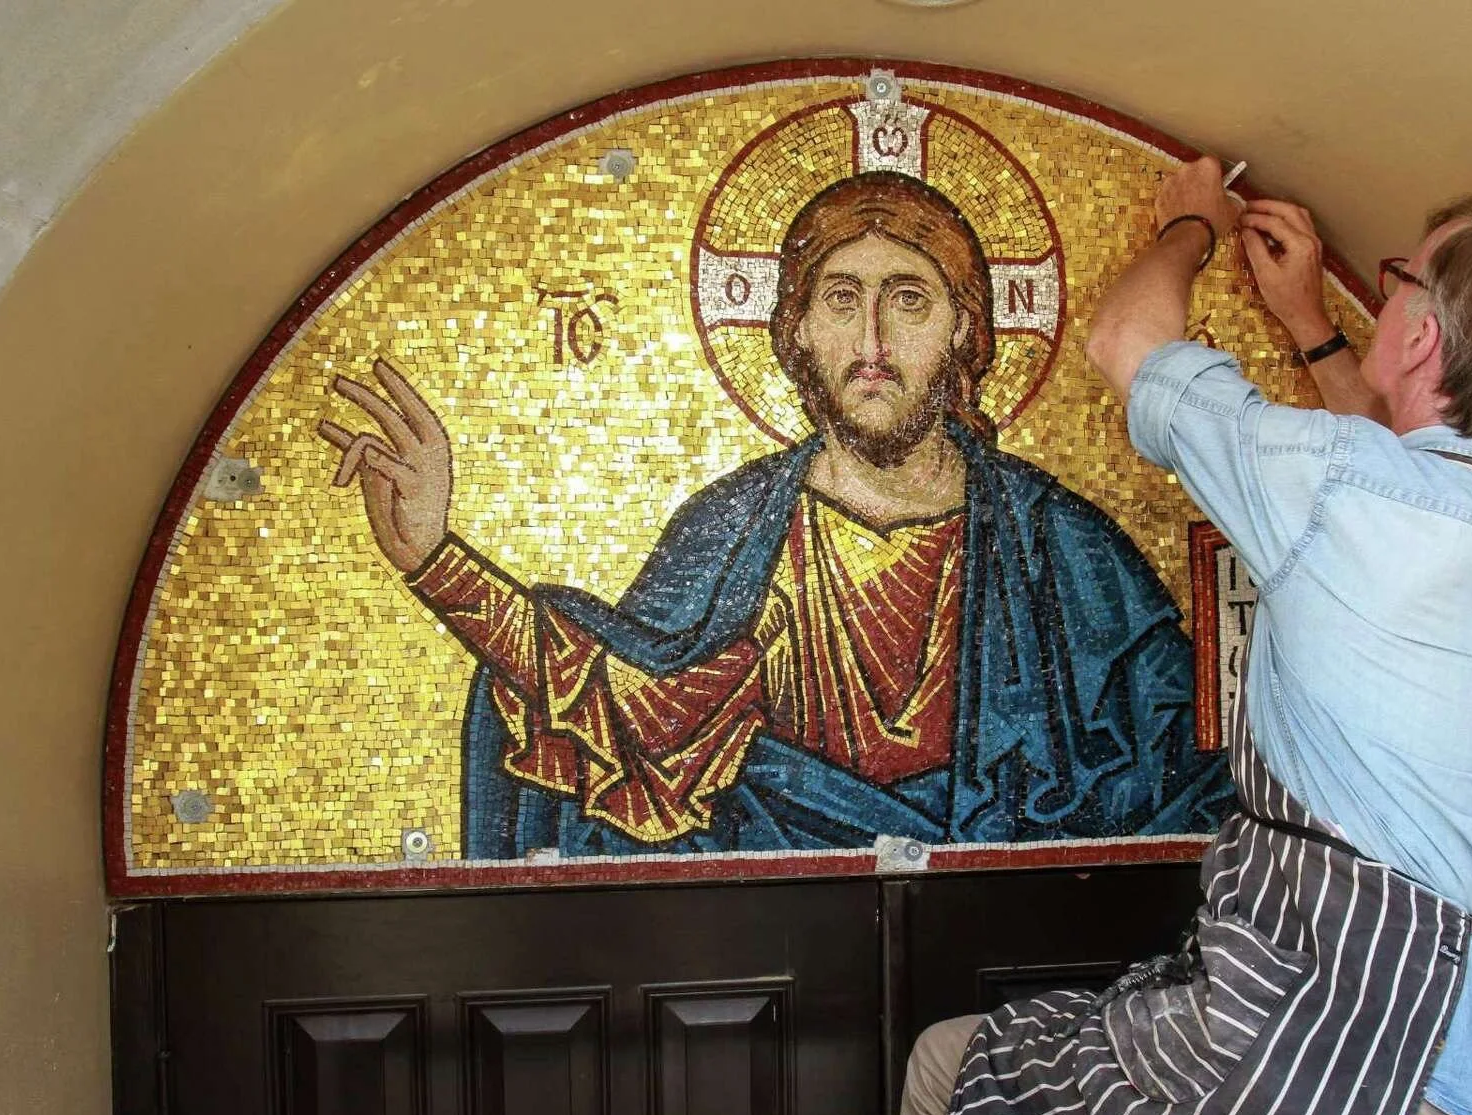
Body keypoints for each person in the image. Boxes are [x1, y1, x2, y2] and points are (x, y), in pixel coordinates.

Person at [910, 157, 1472, 1115]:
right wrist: (1309, 322)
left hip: (1334, 1094)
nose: (1383, 296)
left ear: (1424, 335)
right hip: (1471, 1106)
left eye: (1401, 282)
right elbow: (1408, 477)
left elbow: (1125, 345)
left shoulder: (1335, 482)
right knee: (1114, 1022)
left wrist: (1189, 230)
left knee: (947, 1063)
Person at [316, 170, 1232, 857]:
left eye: (908, 300)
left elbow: (1189, 757)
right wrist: (437, 561)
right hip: (766, 950)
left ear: (964, 328)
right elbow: (629, 719)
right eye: (842, 300)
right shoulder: (732, 530)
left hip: (1010, 947)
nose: (872, 342)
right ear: (795, 329)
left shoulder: (1061, 547)